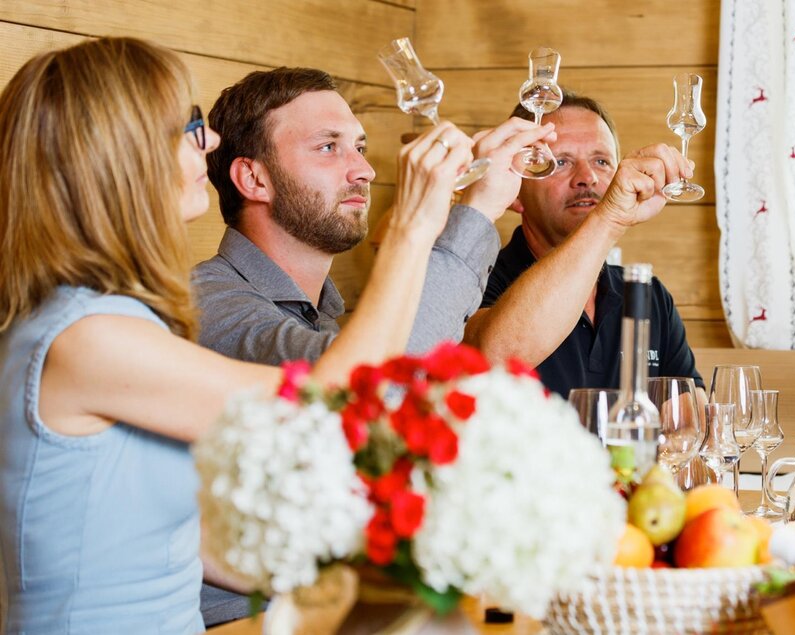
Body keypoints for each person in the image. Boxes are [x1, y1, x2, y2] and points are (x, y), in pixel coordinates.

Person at [0, 37, 473, 632]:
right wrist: (413, 226)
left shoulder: (102, 318)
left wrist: (372, 580)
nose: (209, 142)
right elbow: (330, 405)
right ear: (119, 158)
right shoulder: (88, 338)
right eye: (187, 127)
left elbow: (183, 540)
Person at [193, 67, 553, 363]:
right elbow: (373, 380)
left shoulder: (324, 314)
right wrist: (477, 209)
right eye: (328, 147)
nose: (365, 171)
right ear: (253, 179)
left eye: (360, 148)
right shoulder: (208, 304)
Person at [462, 91, 703, 399]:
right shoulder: (473, 281)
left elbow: (689, 413)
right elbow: (493, 360)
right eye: (561, 162)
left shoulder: (648, 294)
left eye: (601, 161)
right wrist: (609, 219)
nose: (587, 177)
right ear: (515, 193)